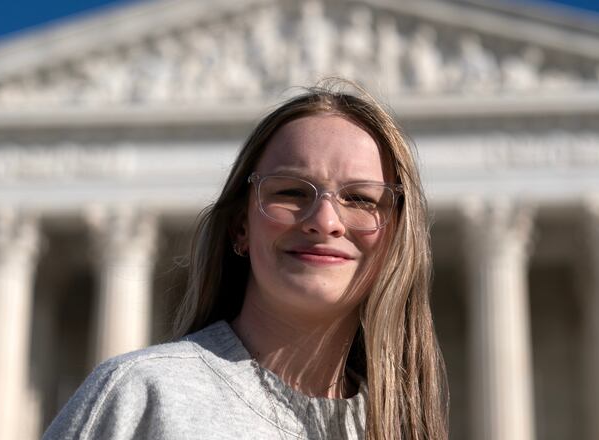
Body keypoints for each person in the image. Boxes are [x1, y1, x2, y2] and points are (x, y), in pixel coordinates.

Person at [43, 80, 449, 440]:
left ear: (397, 238)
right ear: (240, 227)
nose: (325, 221)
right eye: (291, 192)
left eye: (360, 199)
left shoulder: (405, 426)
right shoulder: (142, 394)